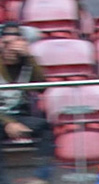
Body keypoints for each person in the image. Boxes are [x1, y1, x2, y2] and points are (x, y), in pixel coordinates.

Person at [0, 24, 51, 160]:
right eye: (5, 44)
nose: (9, 49)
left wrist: (28, 57)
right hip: (2, 117)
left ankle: (41, 177)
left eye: (13, 44)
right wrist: (8, 123)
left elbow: (41, 87)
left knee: (45, 127)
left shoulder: (27, 63)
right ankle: (2, 182)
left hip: (19, 115)